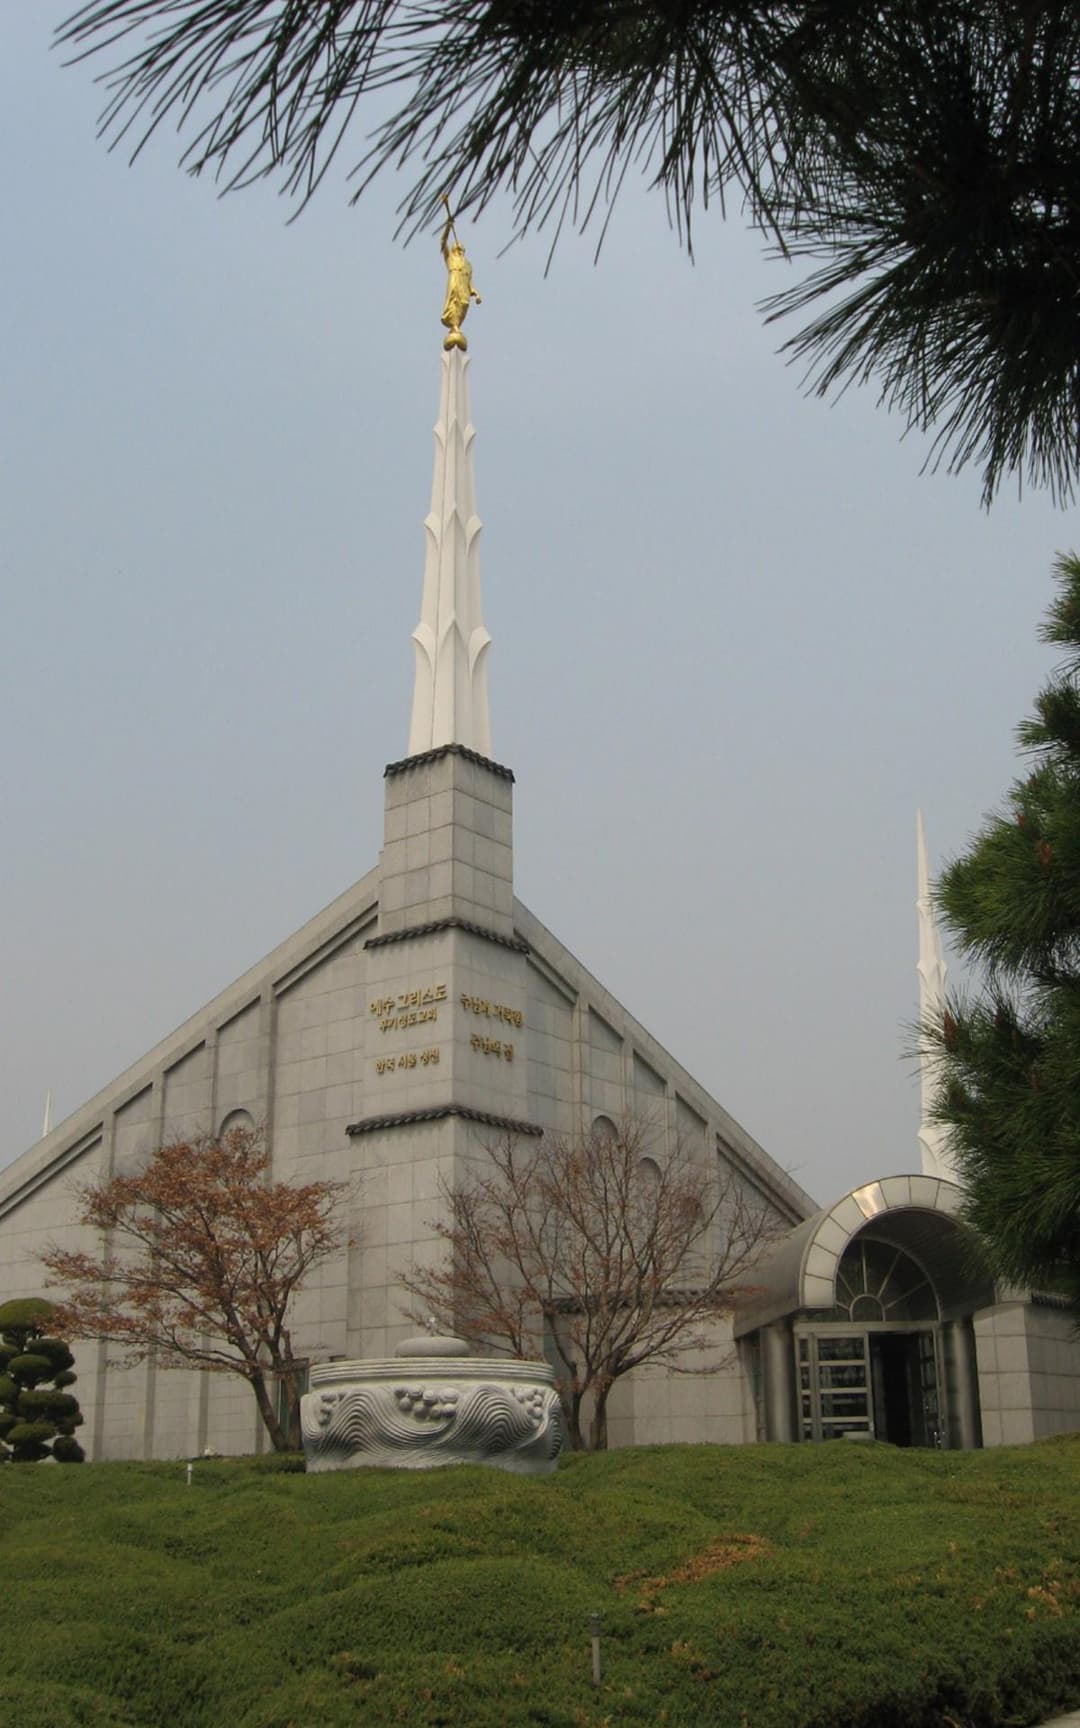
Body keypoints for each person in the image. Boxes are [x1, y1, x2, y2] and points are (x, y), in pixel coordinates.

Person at [440, 215, 482, 348]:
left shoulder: (468, 264)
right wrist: (448, 226)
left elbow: (470, 281)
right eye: (458, 249)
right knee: (454, 302)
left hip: (464, 286)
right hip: (454, 280)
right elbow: (442, 241)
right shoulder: (451, 258)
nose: (460, 251)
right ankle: (454, 325)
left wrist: (475, 292)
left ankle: (457, 325)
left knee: (464, 304)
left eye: (462, 250)